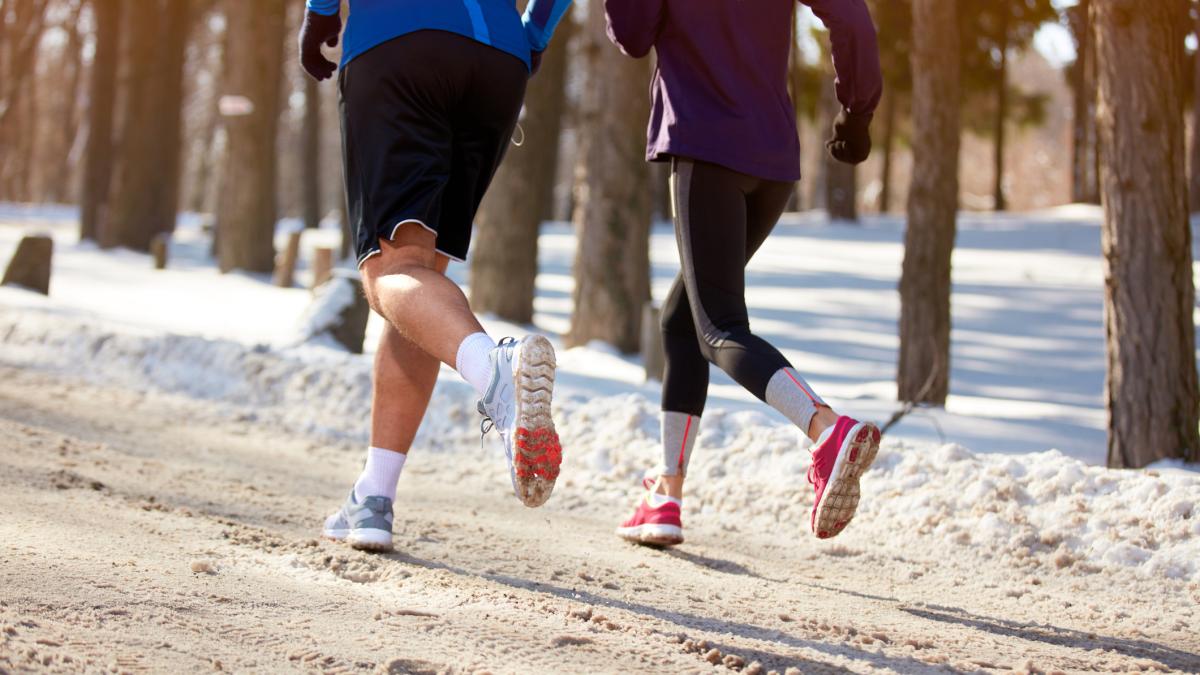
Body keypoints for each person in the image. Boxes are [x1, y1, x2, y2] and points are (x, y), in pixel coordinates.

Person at [605, 0, 884, 546]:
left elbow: (633, 35)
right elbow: (851, 16)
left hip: (705, 147)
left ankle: (827, 430)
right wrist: (856, 111)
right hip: (771, 161)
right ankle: (666, 492)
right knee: (682, 319)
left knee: (718, 328)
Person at [299, 0, 573, 552]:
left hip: (398, 40)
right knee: (420, 281)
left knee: (390, 272)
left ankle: (496, 373)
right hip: (496, 60)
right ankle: (374, 495)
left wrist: (320, 13)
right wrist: (534, 34)